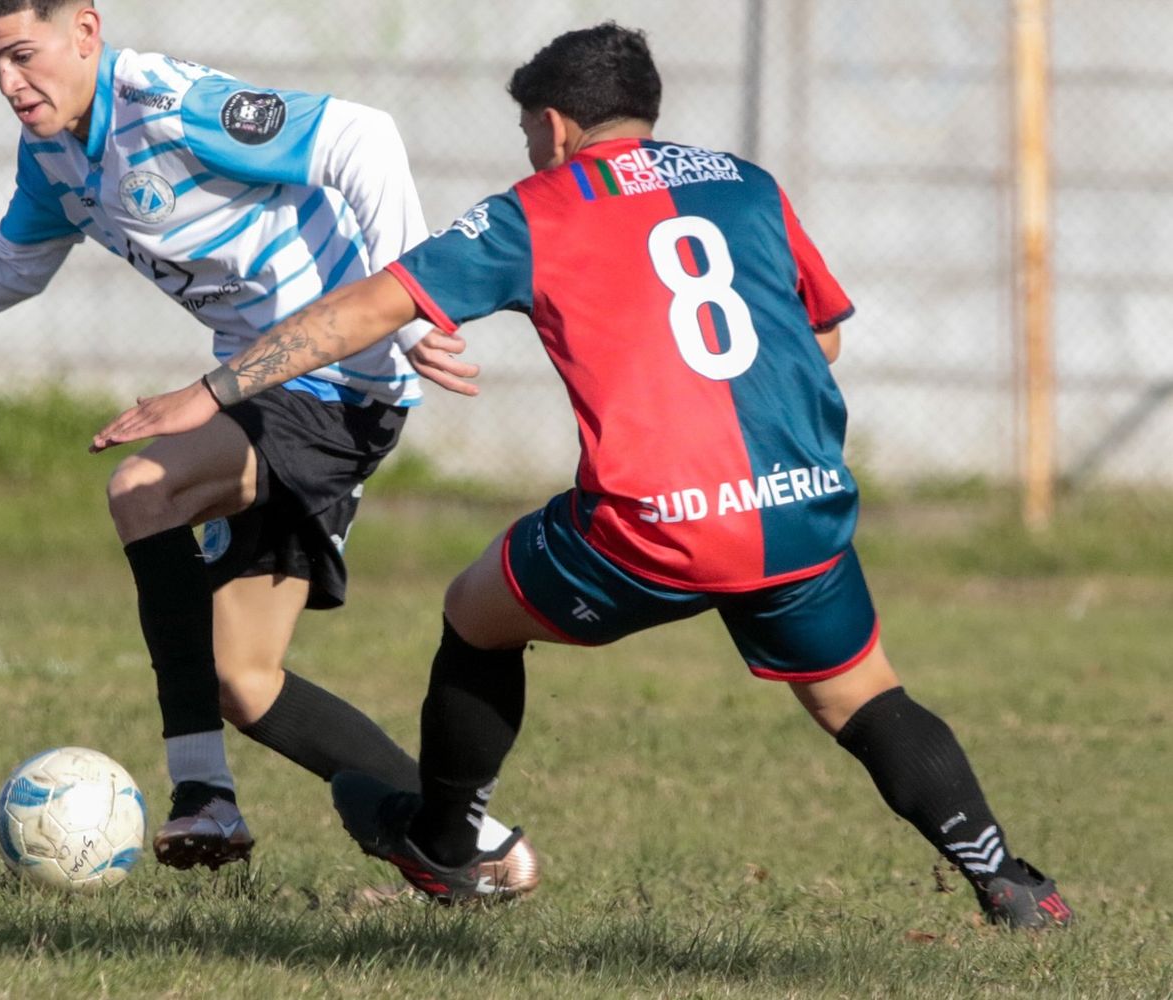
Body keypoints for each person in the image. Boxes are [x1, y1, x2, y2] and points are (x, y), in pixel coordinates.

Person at [85, 23, 1074, 929]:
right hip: (798, 509)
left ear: (554, 126)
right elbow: (822, 334)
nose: (527, 149)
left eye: (527, 131)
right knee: (862, 696)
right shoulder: (747, 183)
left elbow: (363, 312)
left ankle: (445, 835)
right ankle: (1005, 876)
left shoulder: (540, 208)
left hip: (653, 526)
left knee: (476, 610)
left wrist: (212, 391)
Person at [0, 0, 538, 894]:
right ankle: (472, 849)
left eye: (24, 55)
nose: (8, 83)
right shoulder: (57, 156)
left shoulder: (168, 106)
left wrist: (412, 297)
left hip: (336, 382)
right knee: (246, 678)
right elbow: (8, 268)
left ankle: (203, 790)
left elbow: (363, 137)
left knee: (143, 487)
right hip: (276, 392)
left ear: (85, 31)